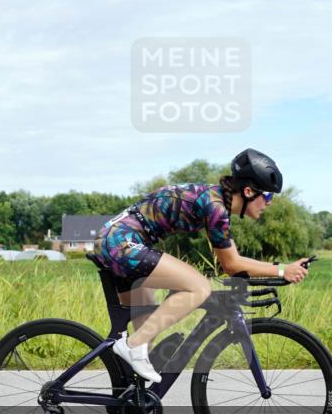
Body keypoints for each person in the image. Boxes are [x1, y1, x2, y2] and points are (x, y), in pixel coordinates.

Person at [93, 148, 311, 383]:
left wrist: (279, 268)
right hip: (121, 244)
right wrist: (281, 270)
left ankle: (131, 394)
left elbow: (230, 258)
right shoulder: (215, 207)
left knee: (147, 328)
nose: (268, 204)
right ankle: (132, 346)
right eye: (267, 197)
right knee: (199, 288)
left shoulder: (215, 203)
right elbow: (232, 265)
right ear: (248, 191)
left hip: (117, 241)